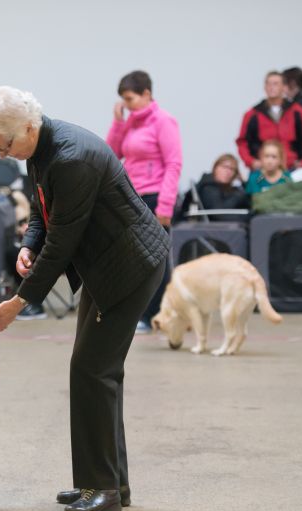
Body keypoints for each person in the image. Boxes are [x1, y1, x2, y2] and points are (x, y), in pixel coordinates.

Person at [0, 85, 169, 511]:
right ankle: (108, 482)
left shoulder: (70, 158)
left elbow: (64, 241)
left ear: (26, 127)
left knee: (92, 372)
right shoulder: (39, 149)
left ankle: (103, 489)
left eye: (3, 145)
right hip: (108, 264)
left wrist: (19, 302)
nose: (3, 154)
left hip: (128, 266)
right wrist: (28, 245)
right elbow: (45, 216)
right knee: (96, 372)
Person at [106, 70, 180, 333]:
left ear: (146, 94)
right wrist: (118, 122)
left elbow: (174, 164)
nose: (126, 104)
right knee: (134, 260)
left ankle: (154, 315)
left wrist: (166, 205)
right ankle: (141, 312)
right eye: (123, 99)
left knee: (155, 261)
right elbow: (112, 153)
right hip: (132, 198)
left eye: (130, 98)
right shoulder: (131, 123)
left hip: (155, 198)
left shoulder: (163, 121)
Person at [236, 71, 302, 171]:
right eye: (268, 84)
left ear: (284, 87)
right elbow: (242, 141)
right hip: (262, 169)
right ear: (264, 87)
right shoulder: (253, 114)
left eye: (276, 84)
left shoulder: (296, 111)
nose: (271, 87)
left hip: (291, 168)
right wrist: (251, 162)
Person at [180, 154, 250, 222]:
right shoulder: (208, 186)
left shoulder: (230, 191)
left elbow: (250, 202)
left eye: (232, 169)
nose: (228, 172)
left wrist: (243, 182)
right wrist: (250, 217)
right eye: (225, 167)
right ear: (215, 168)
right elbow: (219, 215)